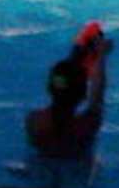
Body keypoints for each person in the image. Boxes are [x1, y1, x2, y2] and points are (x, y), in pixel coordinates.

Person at [25, 22, 112, 164]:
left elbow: (64, 83)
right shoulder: (87, 126)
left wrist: (77, 54)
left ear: (49, 89)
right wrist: (101, 56)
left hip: (38, 170)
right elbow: (98, 92)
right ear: (83, 94)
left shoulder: (33, 121)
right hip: (77, 172)